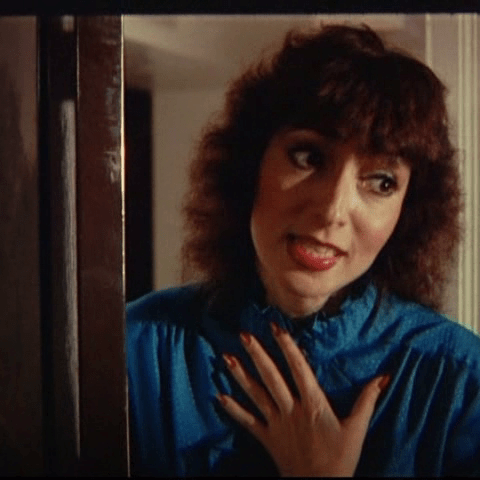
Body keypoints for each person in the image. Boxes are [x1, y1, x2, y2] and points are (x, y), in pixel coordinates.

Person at [127, 24, 480, 476]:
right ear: (249, 163)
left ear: (408, 213)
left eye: (380, 182)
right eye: (309, 157)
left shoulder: (460, 382)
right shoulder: (137, 351)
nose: (333, 211)